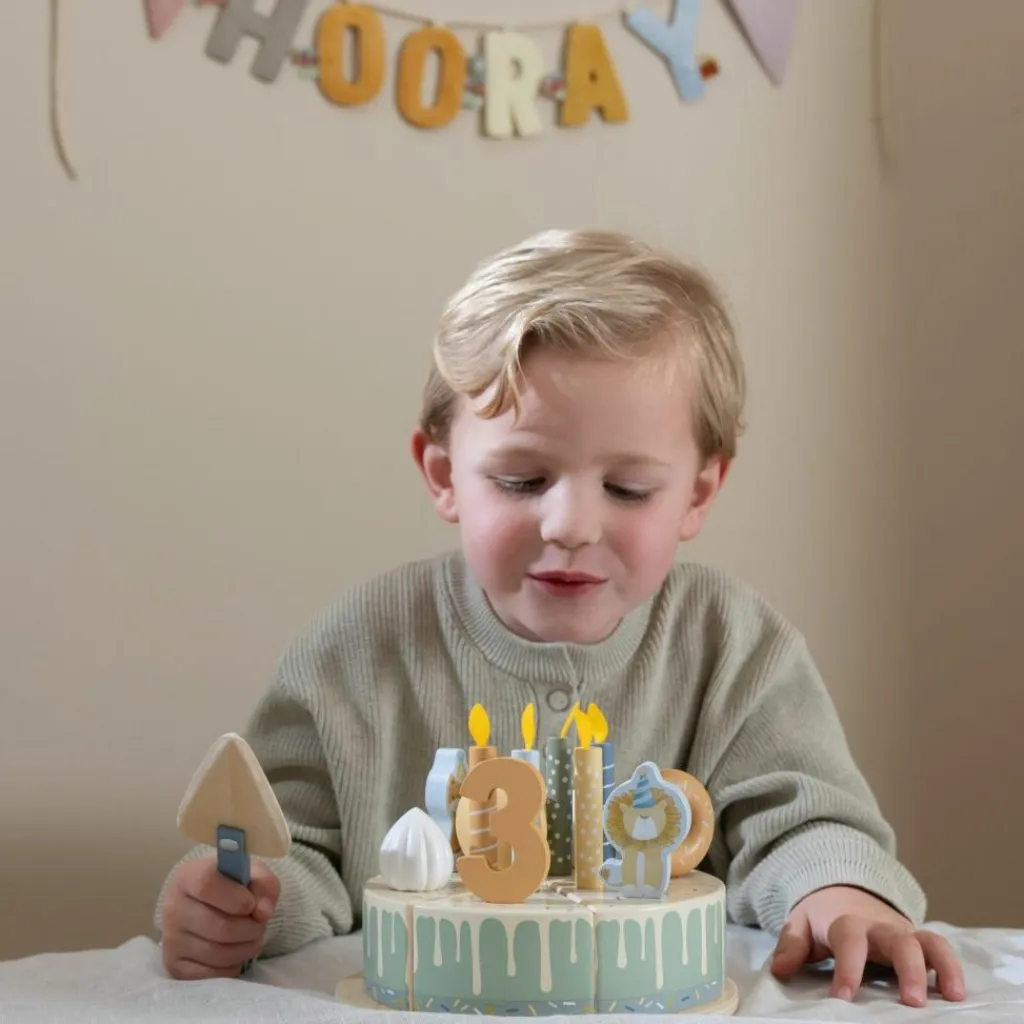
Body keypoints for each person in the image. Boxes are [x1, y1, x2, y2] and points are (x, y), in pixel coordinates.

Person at [155, 229, 964, 1007]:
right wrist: (242, 907)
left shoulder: (733, 647)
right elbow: (289, 844)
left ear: (699, 493)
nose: (571, 524)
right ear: (444, 476)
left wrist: (841, 895)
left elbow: (804, 821)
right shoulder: (359, 649)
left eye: (628, 489)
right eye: (520, 480)